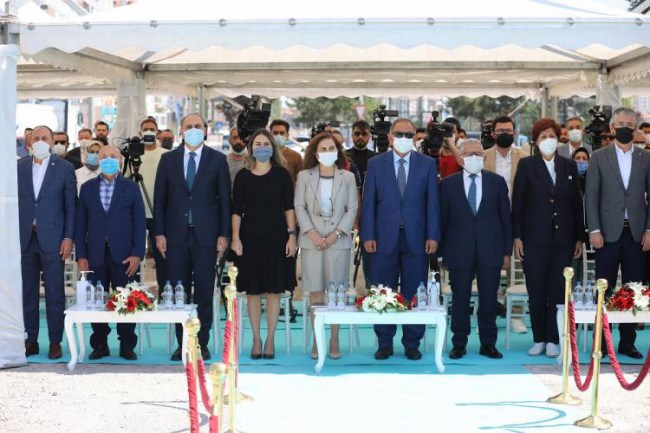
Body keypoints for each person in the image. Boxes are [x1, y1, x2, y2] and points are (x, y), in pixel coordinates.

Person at [361, 118, 440, 361]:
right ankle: (384, 343)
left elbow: (433, 203)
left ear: (415, 137)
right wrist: (368, 235)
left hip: (417, 238)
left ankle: (412, 343)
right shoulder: (376, 164)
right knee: (383, 290)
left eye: (408, 134)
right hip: (383, 238)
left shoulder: (427, 164)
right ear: (390, 137)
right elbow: (368, 202)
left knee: (414, 291)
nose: (404, 138)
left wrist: (433, 235)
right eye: (399, 134)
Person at [154, 113, 231, 361]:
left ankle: (201, 343)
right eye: (189, 126)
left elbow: (225, 201)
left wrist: (224, 234)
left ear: (206, 131)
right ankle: (183, 344)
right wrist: (159, 233)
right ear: (181, 131)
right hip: (175, 236)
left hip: (206, 236)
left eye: (198, 126)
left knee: (204, 292)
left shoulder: (218, 160)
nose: (193, 130)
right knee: (179, 291)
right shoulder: (168, 159)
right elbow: (159, 199)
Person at [512, 118, 584, 358]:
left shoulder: (568, 165)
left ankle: (553, 338)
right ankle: (539, 338)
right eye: (543, 137)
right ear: (535, 141)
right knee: (536, 290)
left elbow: (576, 203)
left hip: (563, 239)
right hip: (533, 239)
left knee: (557, 290)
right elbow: (518, 203)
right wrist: (517, 236)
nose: (548, 140)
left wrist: (579, 237)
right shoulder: (526, 165)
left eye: (552, 136)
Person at [585, 107, 650, 360]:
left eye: (629, 124)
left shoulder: (646, 158)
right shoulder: (599, 157)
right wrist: (594, 229)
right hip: (606, 233)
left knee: (634, 289)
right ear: (612, 128)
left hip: (636, 233)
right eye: (620, 124)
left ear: (635, 129)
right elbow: (591, 196)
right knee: (605, 287)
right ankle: (601, 341)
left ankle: (627, 341)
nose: (625, 128)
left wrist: (649, 229)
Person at [440, 139, 512, 359]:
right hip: (458, 251)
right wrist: (442, 253)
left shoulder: (497, 182)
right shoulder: (448, 184)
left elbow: (505, 219)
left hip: (490, 250)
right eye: (468, 154)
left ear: (484, 157)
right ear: (460, 158)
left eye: (478, 154)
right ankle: (459, 343)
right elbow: (443, 220)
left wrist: (507, 252)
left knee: (489, 299)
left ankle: (488, 343)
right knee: (460, 299)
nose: (473, 158)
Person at [75, 145, 146, 360]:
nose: (107, 160)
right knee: (96, 301)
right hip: (94, 255)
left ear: (121, 162)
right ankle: (100, 344)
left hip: (125, 256)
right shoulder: (87, 188)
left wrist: (137, 254)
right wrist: (81, 255)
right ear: (98, 160)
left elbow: (139, 223)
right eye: (103, 156)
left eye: (112, 156)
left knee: (127, 299)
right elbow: (80, 224)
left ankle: (127, 344)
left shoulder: (131, 188)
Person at [231, 129, 297, 360]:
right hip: (249, 238)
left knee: (273, 290)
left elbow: (289, 208)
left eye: (266, 143)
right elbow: (236, 211)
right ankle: (256, 339)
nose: (262, 147)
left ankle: (270, 339)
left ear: (273, 147)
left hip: (277, 237)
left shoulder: (282, 175)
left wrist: (292, 235)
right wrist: (235, 238)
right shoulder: (242, 176)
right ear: (251, 148)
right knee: (253, 291)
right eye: (257, 143)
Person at [294, 132, 358, 359]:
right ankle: (317, 339)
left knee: (336, 293)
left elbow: (352, 208)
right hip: (312, 242)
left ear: (338, 152)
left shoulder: (347, 177)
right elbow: (299, 206)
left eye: (332, 148)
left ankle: (334, 339)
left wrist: (337, 233)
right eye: (323, 149)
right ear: (315, 153)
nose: (328, 152)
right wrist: (311, 233)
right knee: (316, 294)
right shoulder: (304, 176)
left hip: (338, 242)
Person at [18, 125, 76, 359]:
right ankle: (30, 339)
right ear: (29, 142)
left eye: (44, 138)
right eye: (36, 138)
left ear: (52, 142)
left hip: (54, 240)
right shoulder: (19, 167)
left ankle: (55, 341)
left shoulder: (65, 168)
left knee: (55, 293)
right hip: (25, 239)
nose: (40, 141)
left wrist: (68, 237)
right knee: (27, 293)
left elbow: (71, 207)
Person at [482, 115, 528, 334]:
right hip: (490, 221)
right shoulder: (482, 157)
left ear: (514, 133)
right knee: (489, 270)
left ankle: (516, 315)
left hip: (518, 219)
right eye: (500, 131)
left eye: (508, 131)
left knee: (517, 270)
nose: (504, 134)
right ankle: (487, 314)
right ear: (493, 134)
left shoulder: (525, 158)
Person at [138, 117, 169, 293]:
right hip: (137, 213)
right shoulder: (132, 155)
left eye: (152, 129)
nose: (148, 132)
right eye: (145, 129)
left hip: (159, 213)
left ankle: (164, 291)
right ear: (140, 132)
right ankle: (132, 294)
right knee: (135, 254)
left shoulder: (166, 154)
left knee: (161, 256)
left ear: (157, 132)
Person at [571, 147, 591, 282]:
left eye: (584, 159)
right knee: (573, 272)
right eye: (577, 158)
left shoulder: (593, 180)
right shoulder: (567, 181)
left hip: (591, 233)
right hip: (572, 233)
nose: (581, 161)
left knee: (590, 272)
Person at [270, 119, 304, 185]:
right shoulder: (265, 155)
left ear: (287, 136)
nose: (278, 136)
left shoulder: (296, 156)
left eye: (282, 133)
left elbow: (301, 183)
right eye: (275, 133)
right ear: (270, 135)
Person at [345, 120, 375, 186]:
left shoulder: (375, 157)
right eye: (357, 133)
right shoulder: (344, 156)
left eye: (364, 134)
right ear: (352, 136)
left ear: (369, 136)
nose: (360, 137)